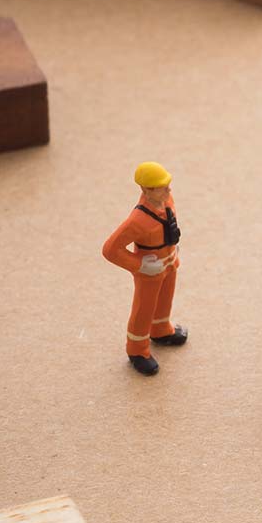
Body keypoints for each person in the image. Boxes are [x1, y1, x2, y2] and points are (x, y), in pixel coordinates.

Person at [101, 161, 188, 376]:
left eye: (168, 184)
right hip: (149, 271)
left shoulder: (168, 201)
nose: (168, 190)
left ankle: (160, 330)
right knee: (144, 308)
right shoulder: (137, 220)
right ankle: (137, 350)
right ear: (146, 190)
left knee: (165, 300)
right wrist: (139, 265)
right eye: (162, 186)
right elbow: (111, 249)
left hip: (169, 262)